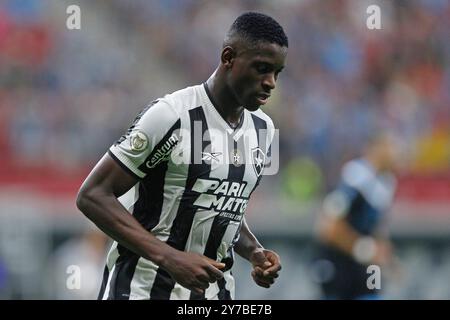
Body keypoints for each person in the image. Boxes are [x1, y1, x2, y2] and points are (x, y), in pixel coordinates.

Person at [76, 12, 288, 300]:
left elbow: (223, 208)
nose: (271, 82)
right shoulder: (172, 115)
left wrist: (254, 251)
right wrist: (169, 257)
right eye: (262, 68)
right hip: (142, 289)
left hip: (214, 295)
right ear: (228, 57)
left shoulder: (265, 131)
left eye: (277, 72)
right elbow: (92, 195)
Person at [314, 133, 401, 299]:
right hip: (338, 265)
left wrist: (386, 257)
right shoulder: (355, 178)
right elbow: (328, 227)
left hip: (364, 268)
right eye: (390, 146)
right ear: (375, 149)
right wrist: (364, 249)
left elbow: (376, 227)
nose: (395, 152)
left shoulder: (386, 182)